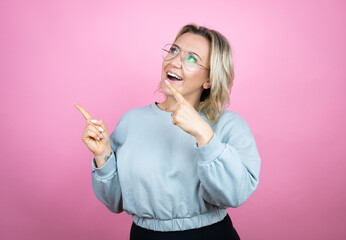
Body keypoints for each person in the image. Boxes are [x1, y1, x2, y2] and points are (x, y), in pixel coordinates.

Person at [75, 24, 261, 240]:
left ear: (209, 80)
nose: (174, 62)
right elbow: (114, 202)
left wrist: (204, 134)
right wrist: (102, 154)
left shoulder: (230, 125)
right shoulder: (131, 121)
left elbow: (235, 194)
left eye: (192, 58)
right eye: (174, 50)